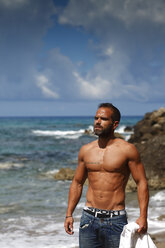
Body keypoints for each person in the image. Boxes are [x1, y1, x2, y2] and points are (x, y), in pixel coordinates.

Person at [64, 103, 149, 248]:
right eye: (96, 118)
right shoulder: (86, 150)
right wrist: (69, 214)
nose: (97, 121)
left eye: (103, 119)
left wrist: (143, 217)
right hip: (88, 219)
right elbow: (77, 182)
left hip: (115, 221)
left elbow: (141, 182)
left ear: (115, 124)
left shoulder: (127, 150)